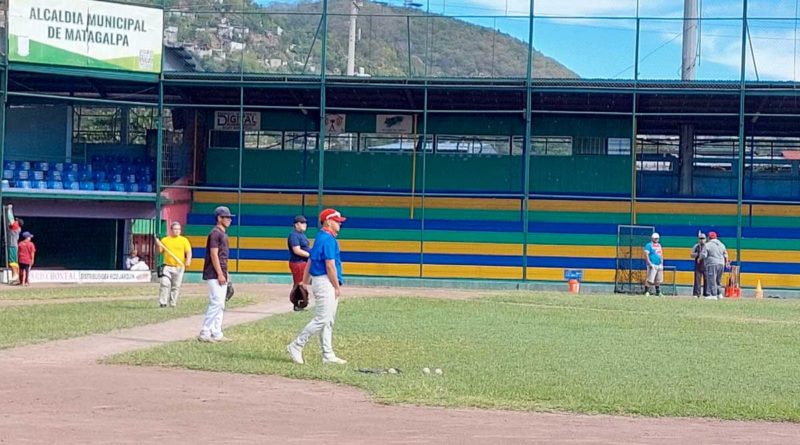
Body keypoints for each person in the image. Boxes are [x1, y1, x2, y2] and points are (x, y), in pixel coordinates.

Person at [287, 208, 348, 365]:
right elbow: (330, 266)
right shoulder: (328, 239)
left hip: (320, 281)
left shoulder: (320, 237)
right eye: (337, 221)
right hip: (325, 281)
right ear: (328, 221)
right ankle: (296, 345)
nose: (339, 225)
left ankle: (327, 355)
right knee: (322, 318)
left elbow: (310, 261)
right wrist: (336, 286)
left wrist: (304, 282)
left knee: (328, 320)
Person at [198, 207, 232, 343]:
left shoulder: (223, 234)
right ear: (219, 218)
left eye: (229, 217)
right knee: (216, 302)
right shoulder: (215, 233)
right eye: (226, 217)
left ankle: (216, 332)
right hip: (213, 273)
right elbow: (214, 254)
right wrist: (219, 273)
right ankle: (205, 331)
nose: (229, 220)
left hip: (221, 272)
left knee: (221, 303)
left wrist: (225, 273)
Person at [158, 221, 192, 308]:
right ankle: (163, 303)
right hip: (167, 266)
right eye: (175, 229)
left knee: (175, 286)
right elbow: (160, 251)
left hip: (179, 267)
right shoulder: (165, 240)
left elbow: (188, 252)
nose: (177, 231)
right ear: (171, 230)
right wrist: (158, 244)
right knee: (164, 283)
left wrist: (188, 260)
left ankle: (173, 303)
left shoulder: (184, 240)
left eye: (179, 229)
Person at [287, 215, 310, 311]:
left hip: (303, 262)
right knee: (299, 284)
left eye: (305, 223)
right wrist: (310, 255)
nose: (304, 225)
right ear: (296, 225)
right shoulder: (294, 235)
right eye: (302, 223)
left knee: (302, 283)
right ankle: (298, 304)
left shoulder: (302, 235)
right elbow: (297, 250)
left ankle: (301, 302)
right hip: (298, 262)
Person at [701, 231, 729, 300]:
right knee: (718, 280)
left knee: (712, 279)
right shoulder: (722, 244)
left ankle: (713, 295)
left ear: (708, 237)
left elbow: (704, 255)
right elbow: (726, 254)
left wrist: (701, 256)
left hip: (712, 263)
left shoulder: (707, 245)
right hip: (721, 264)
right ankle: (719, 294)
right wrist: (727, 262)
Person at [644, 232, 664, 296]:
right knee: (650, 278)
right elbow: (646, 255)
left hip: (659, 264)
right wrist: (649, 263)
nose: (656, 240)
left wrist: (662, 263)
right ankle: (646, 291)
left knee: (658, 279)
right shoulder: (648, 245)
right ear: (652, 238)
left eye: (657, 238)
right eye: (655, 238)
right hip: (652, 264)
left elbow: (661, 254)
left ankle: (658, 292)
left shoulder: (659, 245)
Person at [690, 232, 707, 298]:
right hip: (698, 265)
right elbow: (691, 255)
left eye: (703, 238)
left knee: (707, 280)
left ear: (706, 239)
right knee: (697, 280)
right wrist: (697, 254)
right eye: (700, 238)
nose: (702, 240)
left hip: (706, 265)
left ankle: (706, 294)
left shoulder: (707, 246)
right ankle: (696, 293)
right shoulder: (696, 246)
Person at [7, 213, 22, 284]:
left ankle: (15, 275)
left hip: (12, 246)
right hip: (13, 246)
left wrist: (9, 210)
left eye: (16, 221)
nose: (15, 221)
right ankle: (16, 277)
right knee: (14, 261)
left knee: (12, 261)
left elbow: (10, 219)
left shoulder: (16, 226)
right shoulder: (16, 228)